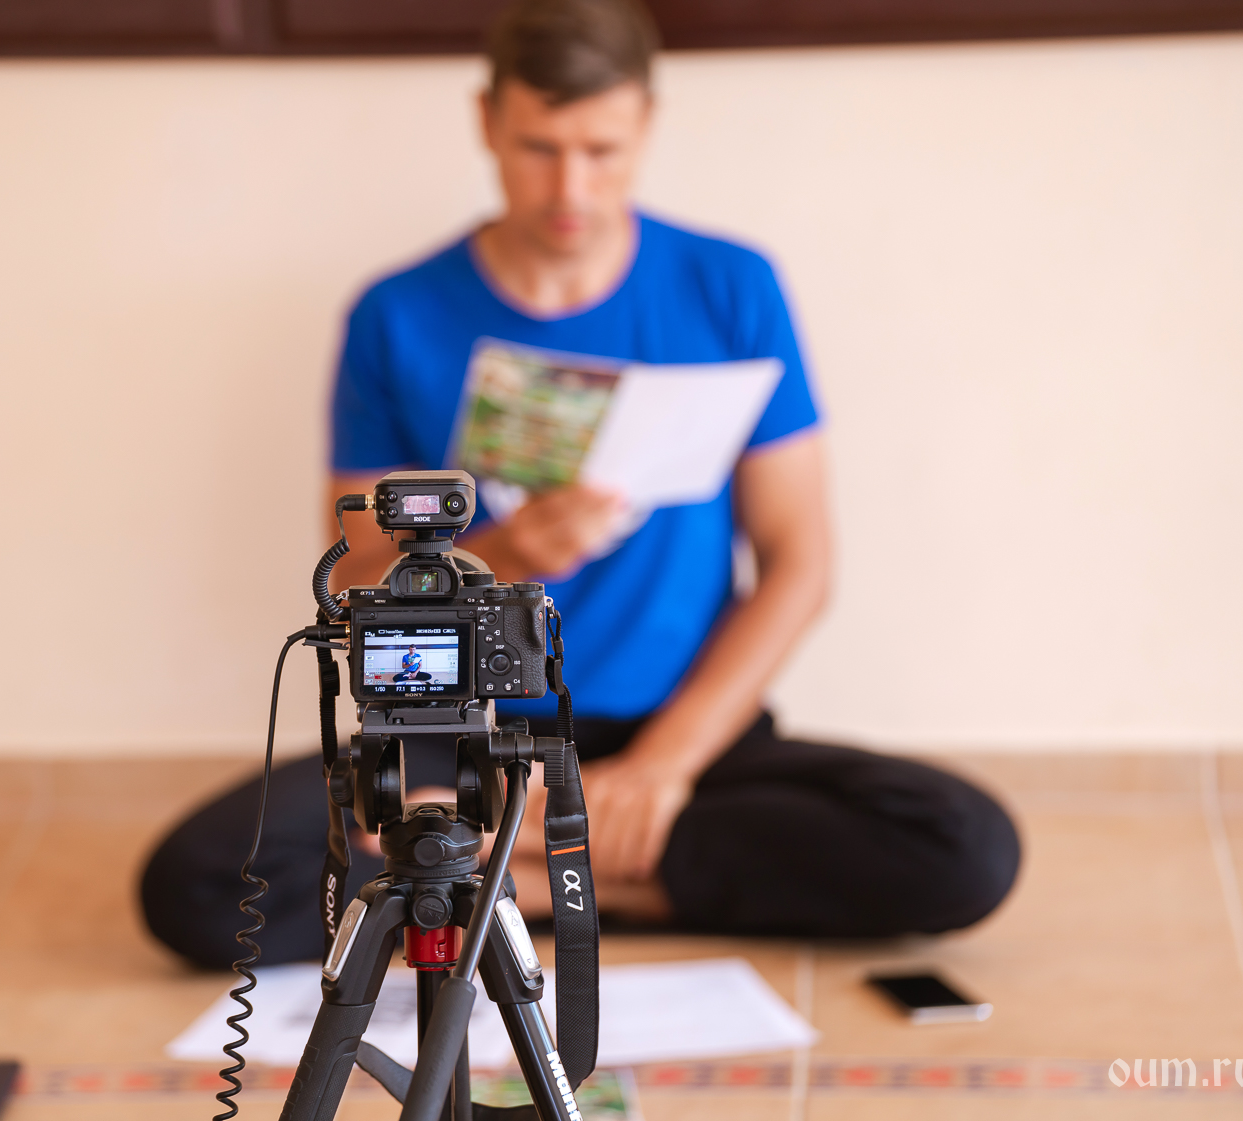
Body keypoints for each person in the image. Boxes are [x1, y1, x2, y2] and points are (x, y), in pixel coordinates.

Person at [140, 0, 1020, 969]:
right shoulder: (396, 312)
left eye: (602, 150)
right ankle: (590, 874)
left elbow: (799, 564)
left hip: (679, 731)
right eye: (539, 148)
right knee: (198, 882)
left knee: (963, 844)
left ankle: (480, 884)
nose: (571, 187)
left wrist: (658, 768)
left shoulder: (732, 285)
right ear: (487, 122)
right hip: (458, 738)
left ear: (647, 123)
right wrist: (506, 552)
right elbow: (353, 585)